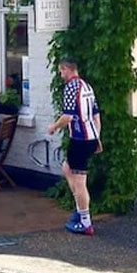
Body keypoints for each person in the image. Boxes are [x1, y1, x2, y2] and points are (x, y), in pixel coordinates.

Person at [48, 58, 101, 236]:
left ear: (67, 69)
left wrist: (54, 127)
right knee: (67, 168)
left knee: (79, 182)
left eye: (61, 71)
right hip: (90, 137)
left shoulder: (71, 87)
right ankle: (80, 208)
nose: (60, 75)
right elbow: (96, 115)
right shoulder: (87, 86)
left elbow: (68, 116)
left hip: (79, 138)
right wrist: (97, 137)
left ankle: (85, 221)